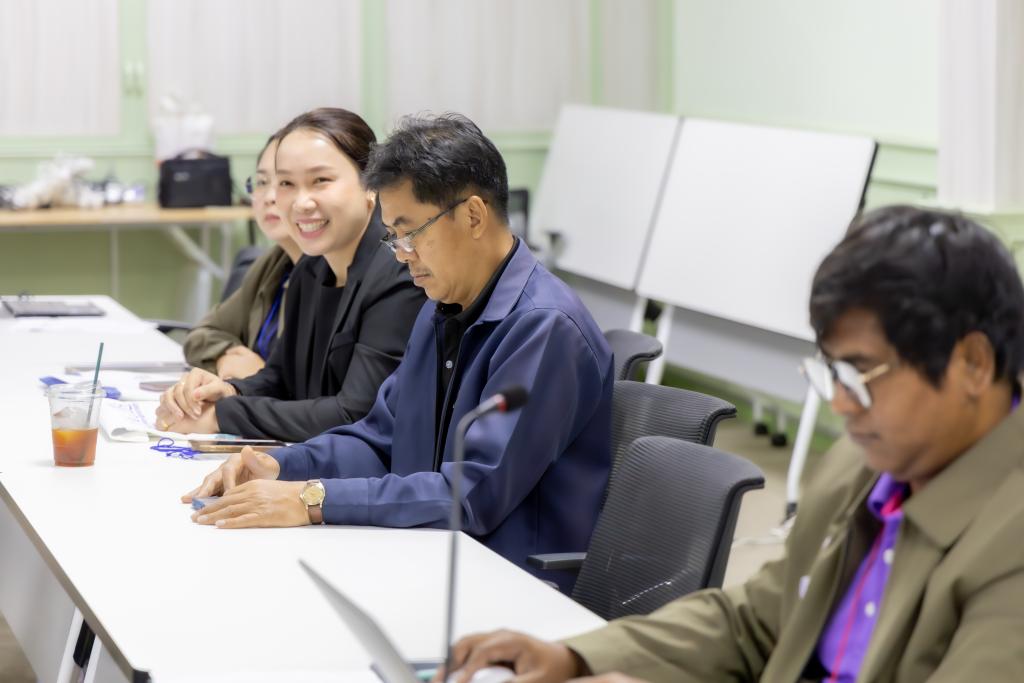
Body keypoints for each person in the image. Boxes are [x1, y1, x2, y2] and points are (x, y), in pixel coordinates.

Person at [442, 206, 1024, 683]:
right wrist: (577, 657)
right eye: (832, 375)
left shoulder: (1007, 537)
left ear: (972, 363)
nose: (842, 406)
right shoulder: (863, 466)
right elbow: (757, 620)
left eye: (860, 375)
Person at [182, 113, 614, 590]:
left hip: (507, 585)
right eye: (392, 236)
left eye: (410, 232)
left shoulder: (543, 328)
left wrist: (310, 499)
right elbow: (379, 438)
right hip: (425, 558)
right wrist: (283, 466)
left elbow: (470, 496)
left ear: (473, 216)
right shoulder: (441, 308)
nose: (402, 254)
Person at [156, 108, 425, 442]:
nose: (301, 202)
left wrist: (223, 416)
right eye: (286, 183)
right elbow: (282, 378)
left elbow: (356, 414)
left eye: (320, 181)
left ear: (370, 184)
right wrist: (228, 391)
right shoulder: (310, 269)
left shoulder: (399, 272)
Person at [182, 134, 301, 379]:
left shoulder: (334, 271)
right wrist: (227, 356)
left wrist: (261, 377)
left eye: (286, 182)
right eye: (262, 182)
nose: (270, 197)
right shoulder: (273, 264)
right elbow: (201, 334)